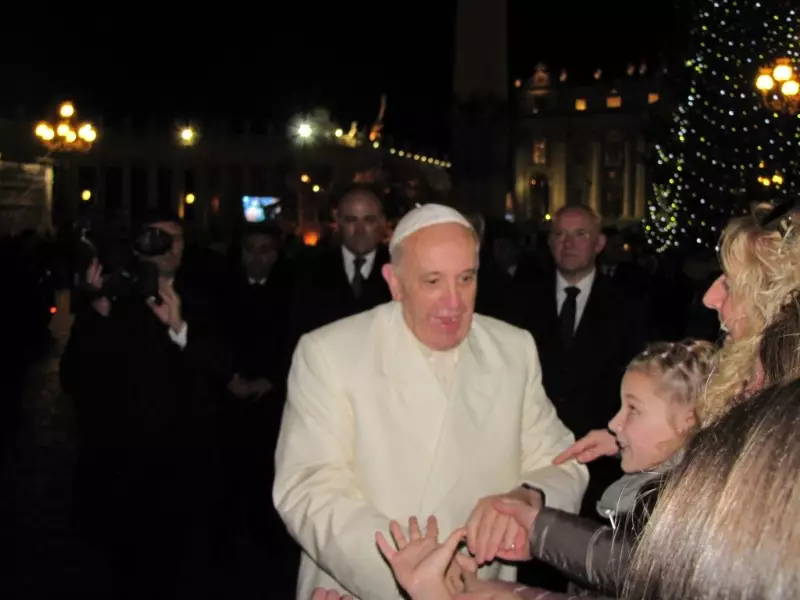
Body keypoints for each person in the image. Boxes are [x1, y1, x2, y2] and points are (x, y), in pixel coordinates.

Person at [274, 203, 587, 600]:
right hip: (365, 585)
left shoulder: (512, 348)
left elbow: (563, 462)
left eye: (466, 279)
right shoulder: (330, 352)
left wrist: (527, 497)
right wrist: (410, 565)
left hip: (481, 587)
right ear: (395, 283)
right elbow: (310, 489)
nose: (454, 303)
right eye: (433, 281)